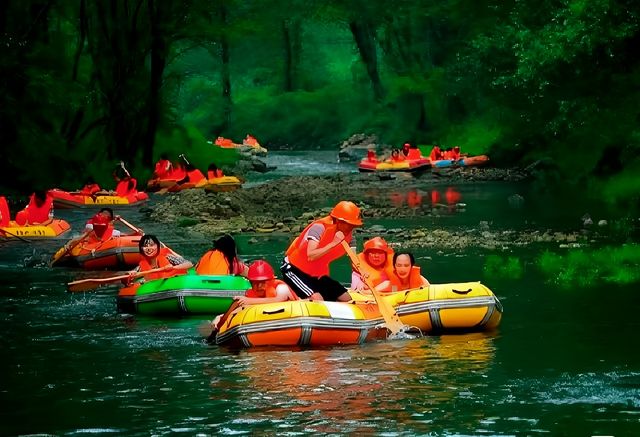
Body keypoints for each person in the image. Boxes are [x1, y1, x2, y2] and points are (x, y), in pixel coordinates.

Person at [281, 200, 362, 302]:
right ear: (338, 221)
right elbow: (311, 255)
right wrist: (333, 243)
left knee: (346, 298)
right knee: (317, 299)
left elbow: (354, 260)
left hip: (317, 274)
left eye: (353, 225)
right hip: (295, 269)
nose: (351, 228)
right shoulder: (319, 228)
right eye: (349, 224)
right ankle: (297, 297)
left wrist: (362, 272)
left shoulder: (351, 238)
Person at [128, 234, 193, 282]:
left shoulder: (168, 257)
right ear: (141, 249)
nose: (148, 248)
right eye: (145, 246)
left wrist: (173, 267)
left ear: (158, 247)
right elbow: (133, 273)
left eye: (151, 245)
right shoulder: (142, 264)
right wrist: (131, 273)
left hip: (177, 281)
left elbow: (189, 264)